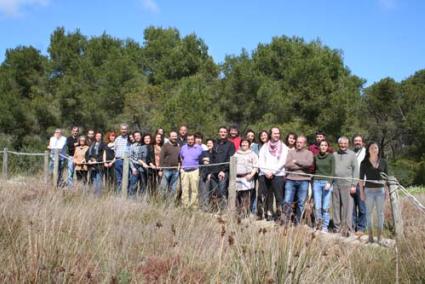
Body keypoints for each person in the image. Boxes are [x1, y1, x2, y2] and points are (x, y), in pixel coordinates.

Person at [359, 142, 388, 244]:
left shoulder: (383, 162)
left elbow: (386, 178)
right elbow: (361, 180)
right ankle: (370, 236)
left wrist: (387, 191)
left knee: (380, 213)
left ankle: (380, 236)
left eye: (375, 148)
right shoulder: (364, 163)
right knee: (368, 213)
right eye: (371, 148)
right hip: (368, 191)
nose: (374, 149)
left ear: (378, 149)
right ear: (368, 150)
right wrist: (362, 193)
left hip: (380, 191)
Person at [257, 127, 288, 221]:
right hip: (264, 174)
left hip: (278, 175)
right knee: (263, 195)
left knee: (278, 197)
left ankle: (279, 216)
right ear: (270, 134)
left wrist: (273, 172)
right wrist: (266, 172)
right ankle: (264, 214)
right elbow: (260, 160)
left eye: (278, 133)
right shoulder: (265, 146)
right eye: (275, 133)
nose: (277, 135)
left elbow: (283, 161)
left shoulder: (284, 147)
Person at [283, 136, 314, 225]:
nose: (298, 143)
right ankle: (286, 220)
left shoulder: (309, 153)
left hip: (304, 180)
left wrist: (296, 161)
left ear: (305, 144)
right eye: (297, 142)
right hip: (290, 179)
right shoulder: (291, 152)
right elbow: (287, 165)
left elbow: (309, 163)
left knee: (301, 202)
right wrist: (301, 165)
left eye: (301, 142)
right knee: (287, 201)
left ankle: (297, 222)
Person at [332, 136, 359, 237]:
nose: (343, 145)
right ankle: (336, 228)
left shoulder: (352, 155)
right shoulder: (334, 154)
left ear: (348, 144)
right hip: (336, 184)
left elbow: (356, 170)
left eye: (345, 143)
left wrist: (354, 185)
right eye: (341, 143)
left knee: (348, 209)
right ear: (338, 144)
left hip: (348, 185)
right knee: (336, 207)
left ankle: (348, 229)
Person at [209, 127, 236, 210]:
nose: (223, 133)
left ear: (227, 133)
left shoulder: (230, 144)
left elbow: (230, 158)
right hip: (214, 171)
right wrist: (210, 172)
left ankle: (223, 210)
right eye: (221, 132)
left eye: (224, 132)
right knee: (214, 191)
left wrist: (223, 171)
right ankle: (215, 209)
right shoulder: (215, 143)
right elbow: (212, 157)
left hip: (224, 172)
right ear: (218, 133)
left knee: (222, 191)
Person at [312, 140, 335, 232]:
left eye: (325, 145)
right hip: (316, 182)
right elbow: (313, 169)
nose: (323, 147)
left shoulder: (331, 157)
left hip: (327, 183)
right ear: (319, 147)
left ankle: (325, 226)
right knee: (317, 205)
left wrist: (329, 182)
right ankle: (318, 224)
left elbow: (333, 171)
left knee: (325, 206)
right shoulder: (316, 157)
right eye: (322, 145)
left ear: (327, 147)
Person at [234, 138, 258, 217]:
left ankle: (245, 213)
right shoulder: (236, 153)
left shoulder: (253, 154)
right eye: (243, 143)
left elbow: (255, 166)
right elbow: (233, 165)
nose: (244, 144)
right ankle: (238, 212)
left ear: (248, 144)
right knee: (237, 196)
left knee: (246, 196)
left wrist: (251, 175)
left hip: (247, 178)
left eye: (246, 143)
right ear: (240, 144)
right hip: (237, 178)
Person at [179, 134, 203, 208]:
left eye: (191, 139)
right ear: (187, 140)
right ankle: (185, 206)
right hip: (184, 171)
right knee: (184, 189)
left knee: (194, 189)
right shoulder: (183, 147)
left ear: (194, 140)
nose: (190, 141)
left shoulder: (199, 148)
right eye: (188, 139)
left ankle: (193, 206)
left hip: (194, 171)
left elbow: (202, 158)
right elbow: (181, 157)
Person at [352, 134, 367, 235]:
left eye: (359, 141)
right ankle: (353, 227)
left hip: (362, 184)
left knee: (362, 208)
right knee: (352, 208)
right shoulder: (351, 153)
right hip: (351, 183)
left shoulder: (367, 153)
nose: (357, 142)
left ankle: (361, 228)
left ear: (362, 142)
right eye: (356, 141)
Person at [129, 131, 151, 197]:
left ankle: (141, 200)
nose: (137, 137)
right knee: (134, 185)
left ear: (141, 136)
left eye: (138, 135)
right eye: (135, 136)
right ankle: (132, 200)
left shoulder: (145, 144)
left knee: (143, 185)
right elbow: (130, 158)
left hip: (144, 168)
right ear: (134, 137)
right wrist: (133, 168)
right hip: (135, 167)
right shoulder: (132, 146)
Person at [159, 131, 180, 196]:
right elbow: (161, 158)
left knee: (173, 189)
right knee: (163, 188)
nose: (174, 137)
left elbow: (179, 158)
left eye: (175, 136)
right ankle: (161, 203)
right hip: (166, 170)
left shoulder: (178, 146)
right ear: (169, 137)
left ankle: (170, 204)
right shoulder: (165, 146)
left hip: (175, 170)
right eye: (173, 136)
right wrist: (161, 170)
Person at [114, 124, 130, 192]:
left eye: (125, 129)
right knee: (118, 179)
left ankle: (126, 193)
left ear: (127, 130)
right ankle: (119, 194)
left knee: (127, 178)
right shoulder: (117, 139)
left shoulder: (129, 139)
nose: (124, 130)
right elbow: (115, 149)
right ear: (120, 130)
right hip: (118, 160)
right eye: (122, 129)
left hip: (126, 161)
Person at [199, 139, 214, 210]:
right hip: (203, 174)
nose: (209, 144)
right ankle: (204, 207)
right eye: (208, 143)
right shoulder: (203, 152)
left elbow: (215, 164)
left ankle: (211, 207)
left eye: (210, 143)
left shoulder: (215, 154)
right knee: (203, 190)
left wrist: (211, 173)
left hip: (212, 175)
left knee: (211, 191)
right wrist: (203, 161)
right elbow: (200, 161)